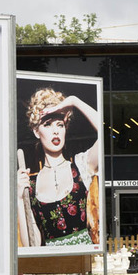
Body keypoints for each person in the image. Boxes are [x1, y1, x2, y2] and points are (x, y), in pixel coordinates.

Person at [16, 88, 100, 247]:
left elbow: (104, 131)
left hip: (84, 264)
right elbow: (31, 246)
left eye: (60, 125)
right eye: (47, 125)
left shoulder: (81, 165)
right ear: (36, 131)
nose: (55, 131)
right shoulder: (32, 185)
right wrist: (20, 199)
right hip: (52, 266)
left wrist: (74, 101)